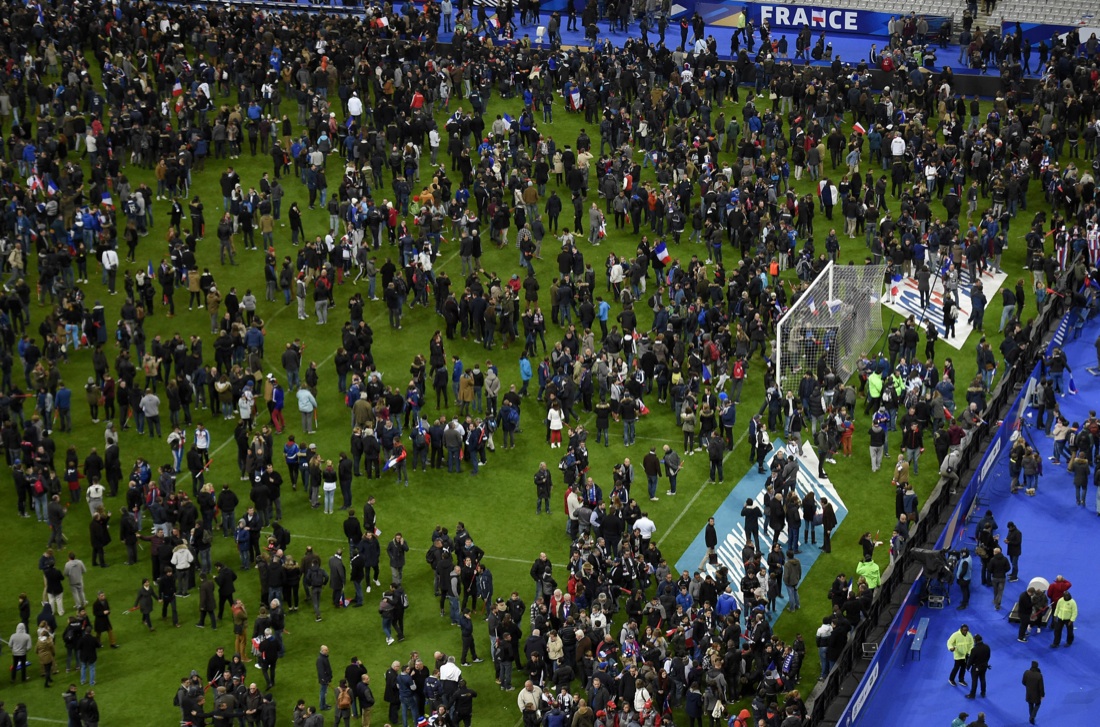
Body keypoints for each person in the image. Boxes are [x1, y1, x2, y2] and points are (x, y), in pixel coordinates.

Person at [965, 634, 990, 699]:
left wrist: (968, 667)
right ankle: (983, 692)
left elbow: (971, 659)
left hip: (976, 667)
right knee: (983, 679)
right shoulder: (987, 647)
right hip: (984, 666)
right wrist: (985, 663)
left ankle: (972, 695)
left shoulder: (974, 649)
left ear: (975, 640)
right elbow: (988, 656)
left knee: (974, 681)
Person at [1022, 660, 1044, 724]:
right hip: (1036, 694)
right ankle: (1032, 717)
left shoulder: (1026, 672)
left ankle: (1031, 718)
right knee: (1038, 704)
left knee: (1030, 704)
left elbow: (1023, 682)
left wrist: (1028, 686)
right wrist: (1042, 694)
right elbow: (1041, 687)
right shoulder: (1039, 675)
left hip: (1029, 692)